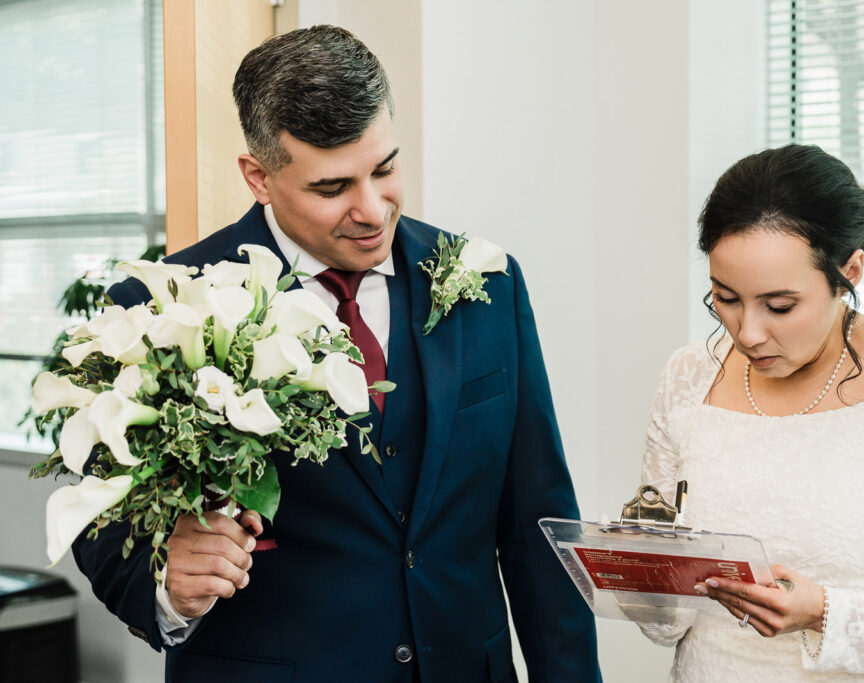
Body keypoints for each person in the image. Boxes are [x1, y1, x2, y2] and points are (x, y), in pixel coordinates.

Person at [72, 25, 601, 683]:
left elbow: (535, 525)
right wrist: (166, 579)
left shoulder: (487, 283)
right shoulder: (164, 303)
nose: (373, 210)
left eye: (385, 169)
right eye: (332, 188)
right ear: (258, 177)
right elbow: (102, 520)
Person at [632, 144, 864, 681]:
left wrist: (824, 612)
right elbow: (664, 621)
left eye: (780, 306)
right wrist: (636, 570)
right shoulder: (688, 376)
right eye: (725, 298)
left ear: (850, 269)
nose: (748, 333)